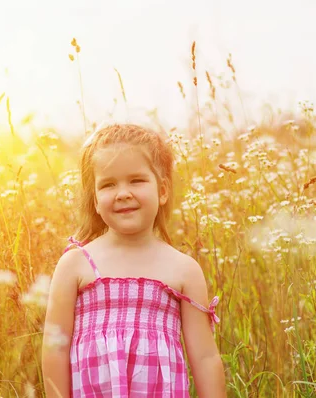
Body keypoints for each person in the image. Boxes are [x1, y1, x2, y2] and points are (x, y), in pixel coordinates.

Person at [42, 124, 225, 397]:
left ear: (162, 190)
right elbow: (54, 347)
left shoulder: (183, 270)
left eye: (136, 180)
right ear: (94, 200)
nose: (123, 193)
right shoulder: (76, 264)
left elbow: (205, 357)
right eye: (108, 184)